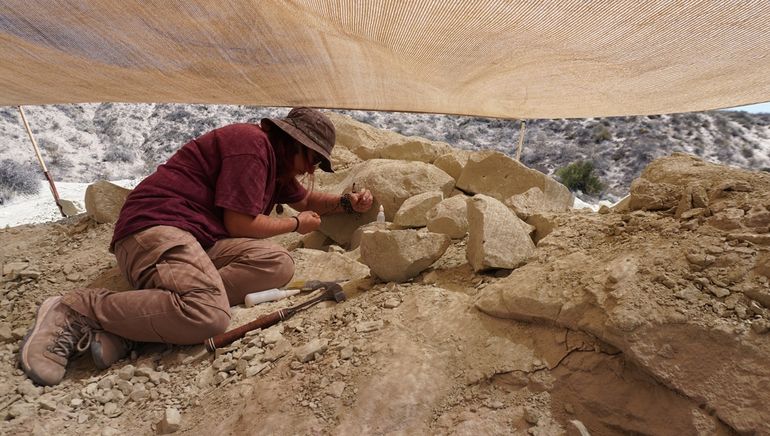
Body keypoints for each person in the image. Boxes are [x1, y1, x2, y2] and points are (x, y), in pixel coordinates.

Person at [19, 107, 373, 386]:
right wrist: (297, 224)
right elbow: (239, 224)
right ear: (294, 142)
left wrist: (347, 203)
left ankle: (128, 325)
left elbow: (307, 198)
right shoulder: (252, 146)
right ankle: (76, 309)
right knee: (210, 314)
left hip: (198, 240)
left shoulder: (276, 165)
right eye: (312, 158)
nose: (311, 167)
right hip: (157, 228)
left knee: (277, 265)